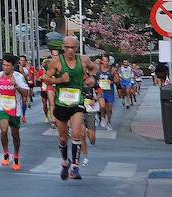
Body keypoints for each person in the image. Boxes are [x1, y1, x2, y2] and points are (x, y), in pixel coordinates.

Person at [44, 36, 98, 181]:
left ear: (77, 48)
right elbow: (44, 78)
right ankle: (65, 161)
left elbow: (94, 68)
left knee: (76, 133)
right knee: (63, 138)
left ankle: (75, 166)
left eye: (73, 47)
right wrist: (60, 80)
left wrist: (92, 78)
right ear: (63, 47)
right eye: (67, 47)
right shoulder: (55, 62)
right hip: (61, 104)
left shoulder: (84, 60)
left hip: (77, 102)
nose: (69, 50)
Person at [0, 53, 29, 171]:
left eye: (8, 65)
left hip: (15, 108)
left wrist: (16, 85)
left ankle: (16, 156)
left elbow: (26, 94)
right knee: (3, 130)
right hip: (2, 106)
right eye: (3, 65)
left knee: (15, 135)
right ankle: (6, 153)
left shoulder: (18, 77)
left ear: (12, 66)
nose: (5, 67)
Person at [96, 55, 117, 130]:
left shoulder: (112, 69)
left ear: (109, 61)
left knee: (110, 109)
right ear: (101, 61)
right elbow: (93, 78)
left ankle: (109, 122)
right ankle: (102, 117)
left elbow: (117, 80)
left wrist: (112, 81)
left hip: (109, 91)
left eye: (106, 61)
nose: (105, 63)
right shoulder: (97, 69)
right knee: (102, 106)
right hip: (100, 90)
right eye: (104, 61)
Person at [17, 54, 35, 124]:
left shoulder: (25, 70)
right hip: (16, 87)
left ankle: (23, 114)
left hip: (23, 87)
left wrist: (21, 71)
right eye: (20, 60)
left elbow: (24, 77)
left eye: (23, 61)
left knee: (24, 101)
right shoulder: (14, 67)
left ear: (25, 62)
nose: (21, 62)